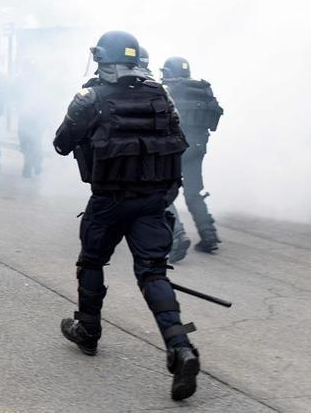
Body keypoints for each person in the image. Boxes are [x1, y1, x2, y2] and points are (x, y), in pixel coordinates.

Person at [54, 31, 200, 401]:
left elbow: (61, 143)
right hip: (152, 200)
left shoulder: (91, 97)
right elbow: (177, 145)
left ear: (103, 59)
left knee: (91, 261)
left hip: (109, 199)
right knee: (153, 272)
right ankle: (180, 347)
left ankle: (88, 331)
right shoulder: (161, 96)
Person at [161, 56, 224, 255]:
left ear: (169, 72)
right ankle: (209, 236)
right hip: (198, 147)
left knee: (162, 193)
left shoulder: (167, 91)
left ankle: (177, 236)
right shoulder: (203, 89)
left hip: (175, 149)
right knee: (193, 193)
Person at [138, 47, 191, 262]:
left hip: (142, 152)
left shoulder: (136, 86)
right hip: (163, 149)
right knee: (159, 195)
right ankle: (175, 234)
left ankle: (174, 236)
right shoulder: (157, 87)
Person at [13, 58, 47, 177]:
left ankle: (33, 164)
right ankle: (31, 163)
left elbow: (47, 97)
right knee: (27, 141)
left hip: (37, 116)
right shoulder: (19, 81)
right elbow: (14, 96)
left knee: (34, 141)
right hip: (25, 116)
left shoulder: (41, 81)